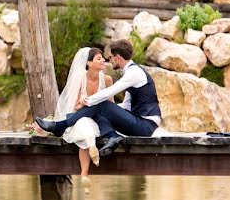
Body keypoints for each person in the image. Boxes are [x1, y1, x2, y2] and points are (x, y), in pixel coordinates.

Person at [34, 39, 162, 157]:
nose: (109, 61)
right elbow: (126, 106)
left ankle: (59, 126)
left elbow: (108, 93)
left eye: (110, 57)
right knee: (99, 108)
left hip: (146, 126)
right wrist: (101, 108)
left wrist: (87, 102)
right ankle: (113, 136)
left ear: (118, 58)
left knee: (101, 103)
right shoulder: (131, 73)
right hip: (139, 123)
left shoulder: (134, 73)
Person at [50, 47, 115, 181]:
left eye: (103, 58)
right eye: (99, 58)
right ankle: (91, 149)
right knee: (84, 124)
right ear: (89, 63)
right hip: (81, 119)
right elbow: (72, 110)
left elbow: (111, 107)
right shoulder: (80, 79)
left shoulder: (107, 80)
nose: (103, 60)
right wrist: (80, 103)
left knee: (85, 128)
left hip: (100, 121)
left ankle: (84, 173)